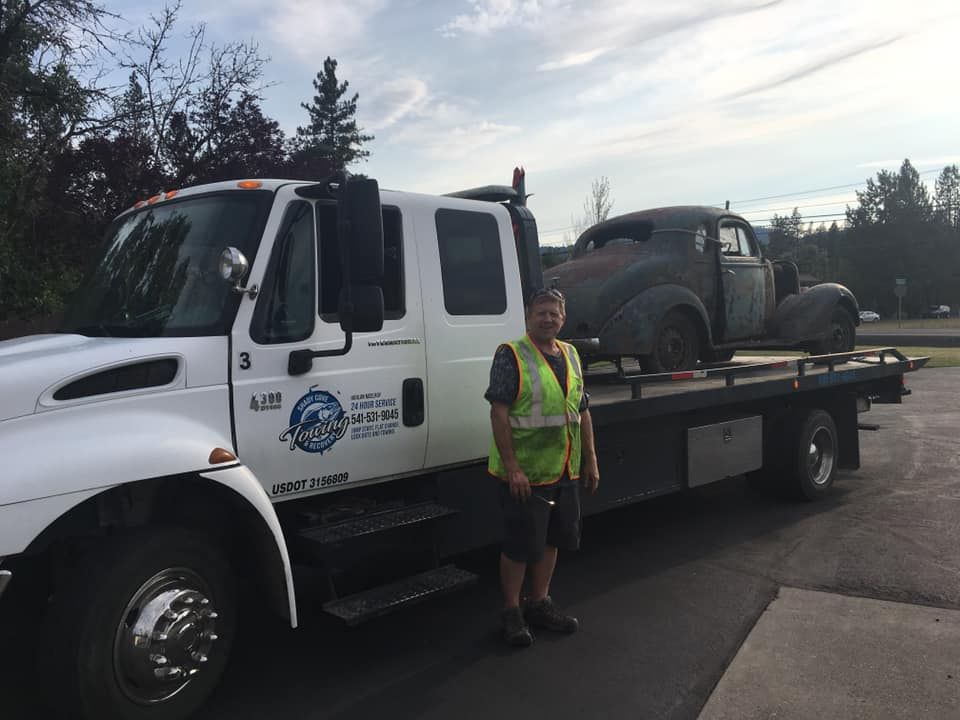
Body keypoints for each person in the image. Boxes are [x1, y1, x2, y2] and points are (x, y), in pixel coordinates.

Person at [485, 287, 600, 647]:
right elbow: (499, 413)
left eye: (554, 313)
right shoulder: (511, 355)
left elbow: (581, 410)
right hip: (526, 473)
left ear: (563, 318)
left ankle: (539, 603)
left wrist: (590, 458)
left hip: (565, 468)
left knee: (553, 539)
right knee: (521, 545)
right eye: (541, 312)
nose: (548, 318)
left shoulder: (570, 353)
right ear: (528, 316)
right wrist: (513, 467)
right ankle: (511, 612)